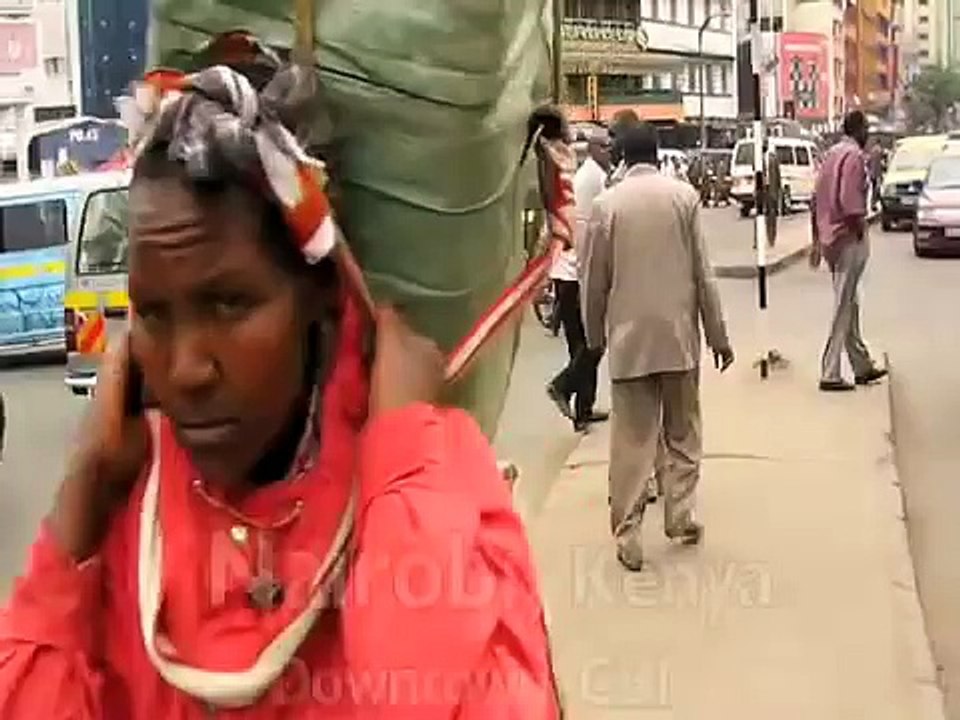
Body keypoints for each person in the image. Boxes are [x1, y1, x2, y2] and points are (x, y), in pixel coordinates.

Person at [0, 58, 561, 717]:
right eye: (153, 313)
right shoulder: (131, 524)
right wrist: (80, 501)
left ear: (321, 297)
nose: (185, 369)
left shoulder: (436, 490)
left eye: (231, 304)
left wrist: (407, 459)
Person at [580, 122, 734, 572]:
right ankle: (680, 515)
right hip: (678, 338)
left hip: (629, 344)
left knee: (631, 441)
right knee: (683, 431)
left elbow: (594, 281)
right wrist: (719, 335)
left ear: (622, 157)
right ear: (659, 153)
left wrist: (594, 337)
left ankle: (628, 534)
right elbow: (703, 273)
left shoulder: (607, 207)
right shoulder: (682, 197)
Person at [810, 110, 888, 392]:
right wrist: (858, 227)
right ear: (859, 130)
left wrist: (817, 238)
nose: (868, 134)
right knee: (844, 305)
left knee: (850, 303)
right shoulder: (853, 156)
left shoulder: (831, 154)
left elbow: (815, 197)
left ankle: (861, 365)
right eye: (866, 128)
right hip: (847, 238)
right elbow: (849, 200)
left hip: (831, 237)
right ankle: (829, 371)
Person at [546, 132, 611, 432]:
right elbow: (586, 229)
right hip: (575, 273)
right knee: (593, 343)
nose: (610, 153)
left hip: (570, 271)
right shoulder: (592, 180)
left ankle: (582, 410)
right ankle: (562, 386)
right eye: (606, 148)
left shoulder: (591, 176)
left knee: (583, 344)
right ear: (595, 149)